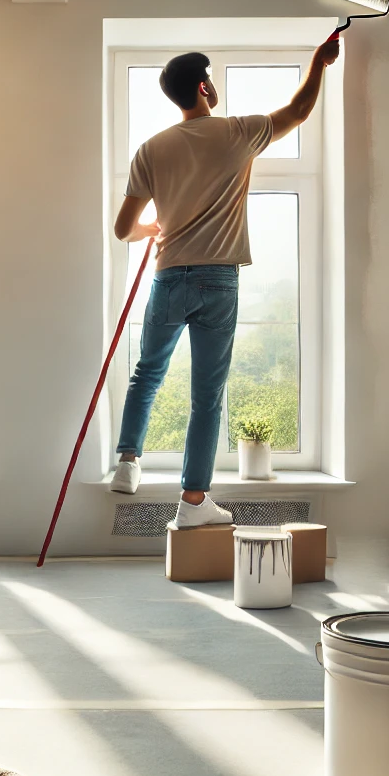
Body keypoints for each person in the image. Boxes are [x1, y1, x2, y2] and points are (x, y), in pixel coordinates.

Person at [111, 39, 340, 527]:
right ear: (204, 87)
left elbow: (122, 230)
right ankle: (193, 503)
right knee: (206, 394)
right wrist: (318, 63)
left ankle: (127, 461)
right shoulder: (239, 132)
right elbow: (300, 109)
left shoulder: (150, 150)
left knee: (146, 373)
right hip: (218, 279)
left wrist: (156, 228)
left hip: (169, 276)